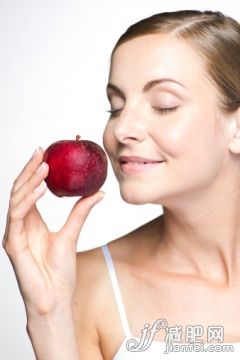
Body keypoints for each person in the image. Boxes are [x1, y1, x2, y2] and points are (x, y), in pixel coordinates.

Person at [3, 9, 240, 360]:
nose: (121, 129)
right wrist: (48, 317)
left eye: (163, 105)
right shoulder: (83, 285)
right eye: (115, 107)